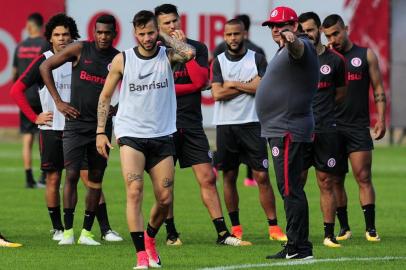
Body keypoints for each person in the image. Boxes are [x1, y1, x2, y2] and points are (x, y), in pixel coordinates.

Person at [96, 10, 196, 269]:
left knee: (165, 199)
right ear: (134, 34)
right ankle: (141, 255)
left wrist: (166, 35)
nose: (147, 38)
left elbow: (189, 54)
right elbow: (105, 97)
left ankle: (150, 238)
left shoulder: (167, 56)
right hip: (131, 136)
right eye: (141, 34)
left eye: (151, 32)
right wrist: (100, 131)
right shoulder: (123, 59)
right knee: (135, 191)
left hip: (162, 135)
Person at [10, 13, 122, 243]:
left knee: (90, 179)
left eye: (66, 35)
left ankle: (105, 228)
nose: (62, 39)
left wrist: (112, 108)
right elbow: (16, 90)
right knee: (53, 180)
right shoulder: (45, 60)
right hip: (52, 129)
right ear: (49, 39)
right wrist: (34, 118)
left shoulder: (80, 56)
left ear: (73, 37)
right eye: (57, 35)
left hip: (80, 127)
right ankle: (59, 229)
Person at [154, 3, 249, 248]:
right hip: (163, 126)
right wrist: (173, 88)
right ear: (157, 27)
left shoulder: (196, 47)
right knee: (167, 182)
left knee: (207, 178)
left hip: (192, 125)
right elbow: (156, 88)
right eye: (167, 23)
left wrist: (183, 49)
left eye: (175, 21)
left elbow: (200, 81)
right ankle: (172, 233)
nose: (172, 26)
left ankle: (222, 233)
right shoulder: (152, 50)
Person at [211, 18, 286, 242]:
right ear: (224, 36)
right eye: (228, 35)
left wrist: (231, 84)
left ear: (244, 34)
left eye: (236, 34)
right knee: (229, 177)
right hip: (226, 126)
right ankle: (236, 228)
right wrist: (247, 86)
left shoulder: (258, 58)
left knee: (262, 176)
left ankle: (273, 228)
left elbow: (261, 88)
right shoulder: (218, 61)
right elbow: (216, 94)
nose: (232, 39)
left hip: (253, 124)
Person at [256, 6, 319, 260]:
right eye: (271, 26)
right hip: (281, 129)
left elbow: (298, 48)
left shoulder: (300, 44)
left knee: (290, 188)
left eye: (281, 25)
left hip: (287, 130)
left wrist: (292, 39)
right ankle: (296, 245)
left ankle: (299, 248)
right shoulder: (283, 49)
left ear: (294, 26)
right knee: (289, 187)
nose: (275, 30)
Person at [322, 14, 386, 242]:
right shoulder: (326, 59)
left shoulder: (365, 54)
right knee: (335, 180)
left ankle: (370, 228)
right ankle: (344, 227)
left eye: (336, 33)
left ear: (346, 29)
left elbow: (378, 87)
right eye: (328, 35)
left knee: (363, 175)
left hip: (358, 127)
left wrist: (381, 118)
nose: (333, 39)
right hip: (332, 128)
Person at [298, 11, 347, 248]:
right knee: (297, 182)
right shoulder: (294, 59)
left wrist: (322, 114)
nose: (306, 34)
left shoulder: (335, 60)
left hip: (326, 129)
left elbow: (340, 94)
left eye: (310, 29)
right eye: (302, 31)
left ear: (318, 29)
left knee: (326, 181)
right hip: (299, 130)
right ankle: (297, 234)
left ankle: (329, 234)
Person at [12, 13, 49, 188]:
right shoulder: (45, 44)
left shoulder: (19, 46)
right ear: (41, 26)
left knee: (27, 137)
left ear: (30, 26)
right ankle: (44, 176)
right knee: (45, 134)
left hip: (25, 95)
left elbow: (14, 74)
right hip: (41, 94)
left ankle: (29, 178)